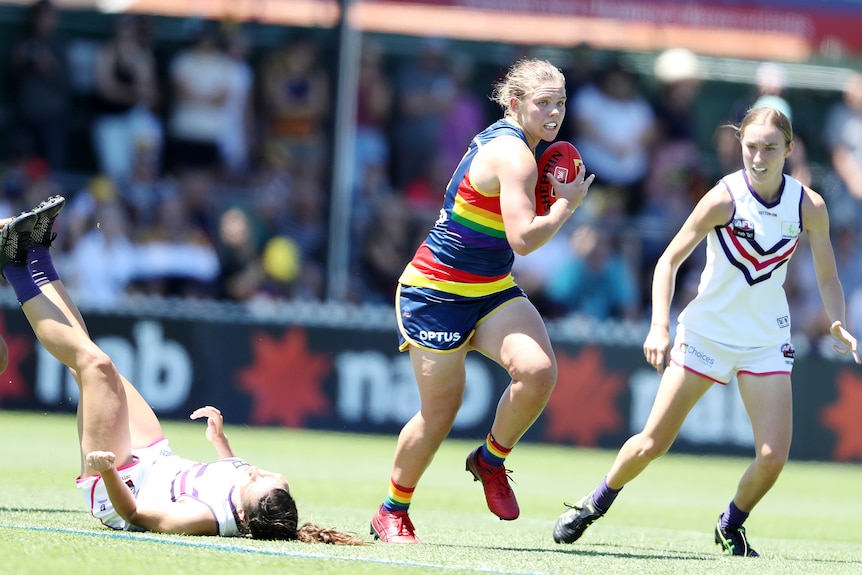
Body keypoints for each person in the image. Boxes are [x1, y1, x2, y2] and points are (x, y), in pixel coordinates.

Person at [552, 106, 861, 556]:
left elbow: (829, 277)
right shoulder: (722, 198)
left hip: (765, 341)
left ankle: (730, 524)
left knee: (773, 458)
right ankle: (592, 504)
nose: (758, 157)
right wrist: (659, 325)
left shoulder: (809, 206)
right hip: (706, 336)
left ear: (790, 150)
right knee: (652, 443)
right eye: (750, 147)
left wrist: (838, 321)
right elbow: (668, 261)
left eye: (770, 148)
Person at [0, 196, 365, 545]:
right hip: (155, 457)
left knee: (94, 365)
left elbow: (138, 514)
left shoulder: (202, 517)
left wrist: (107, 469)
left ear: (241, 513)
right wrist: (220, 442)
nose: (258, 472)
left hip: (121, 484)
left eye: (258, 481)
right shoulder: (260, 492)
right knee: (95, 361)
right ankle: (33, 254)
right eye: (272, 478)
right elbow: (236, 473)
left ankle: (15, 264)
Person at [370, 58, 595, 544]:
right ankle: (392, 510)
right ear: (515, 104)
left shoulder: (520, 143)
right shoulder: (514, 154)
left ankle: (490, 460)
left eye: (560, 102)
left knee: (537, 374)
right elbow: (523, 239)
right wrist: (566, 206)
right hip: (435, 291)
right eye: (543, 103)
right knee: (440, 414)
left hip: (488, 286)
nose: (554, 113)